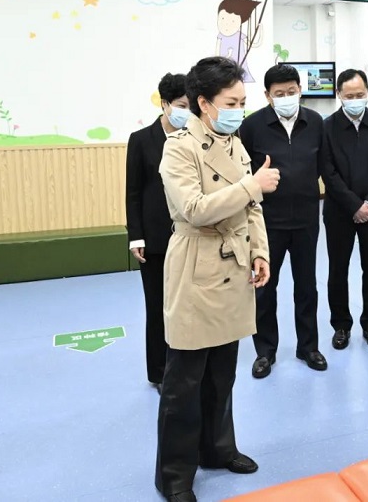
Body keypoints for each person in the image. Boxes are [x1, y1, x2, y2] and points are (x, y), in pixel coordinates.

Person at [155, 57, 281, 502]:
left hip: (235, 262)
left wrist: (260, 252)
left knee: (223, 373)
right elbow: (193, 210)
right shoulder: (179, 147)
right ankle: (174, 474)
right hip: (197, 263)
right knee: (184, 380)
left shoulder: (235, 143)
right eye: (231, 103)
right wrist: (252, 186)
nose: (239, 110)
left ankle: (218, 448)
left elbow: (252, 209)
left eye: (243, 102)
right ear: (204, 104)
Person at [239, 64, 326, 378]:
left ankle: (308, 347)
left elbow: (324, 165)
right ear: (267, 95)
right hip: (266, 222)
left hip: (306, 219)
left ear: (300, 90)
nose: (287, 97)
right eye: (279, 93)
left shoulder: (315, 122)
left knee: (307, 287)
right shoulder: (251, 126)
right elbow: (241, 171)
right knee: (265, 288)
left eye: (291, 91)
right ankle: (265, 351)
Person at [321, 69, 368, 350]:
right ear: (339, 95)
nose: (355, 100)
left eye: (360, 95)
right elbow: (327, 171)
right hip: (339, 211)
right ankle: (341, 325)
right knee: (337, 270)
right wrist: (354, 205)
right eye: (349, 96)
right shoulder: (327, 127)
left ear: (367, 92)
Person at [126, 72, 189, 393]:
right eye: (180, 105)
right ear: (164, 104)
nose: (186, 112)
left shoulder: (194, 138)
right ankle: (160, 373)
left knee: (187, 306)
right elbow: (133, 192)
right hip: (154, 239)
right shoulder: (141, 140)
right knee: (157, 307)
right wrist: (136, 236)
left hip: (190, 236)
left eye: (191, 106)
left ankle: (186, 365)